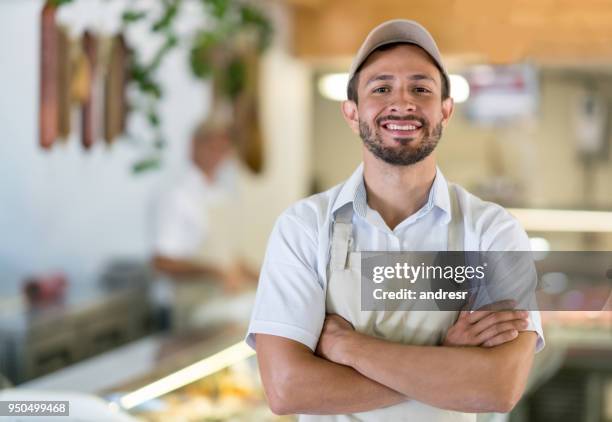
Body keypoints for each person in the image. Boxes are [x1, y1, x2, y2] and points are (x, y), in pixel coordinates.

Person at [246, 19, 545, 421]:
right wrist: (446, 364)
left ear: (445, 111)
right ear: (352, 113)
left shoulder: (492, 231)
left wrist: (346, 348)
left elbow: (497, 386)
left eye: (420, 88)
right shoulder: (303, 228)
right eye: (381, 88)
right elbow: (287, 389)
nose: (402, 102)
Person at [152, 121, 257, 292]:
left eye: (223, 149)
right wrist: (213, 272)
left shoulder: (221, 194)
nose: (217, 155)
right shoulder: (177, 195)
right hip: (190, 303)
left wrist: (264, 278)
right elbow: (162, 262)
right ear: (194, 144)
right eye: (212, 147)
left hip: (223, 297)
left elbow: (229, 258)